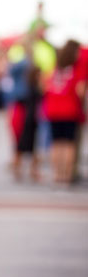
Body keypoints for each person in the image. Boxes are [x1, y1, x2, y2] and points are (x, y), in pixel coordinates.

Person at [43, 40, 85, 184]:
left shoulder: (56, 68)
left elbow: (46, 86)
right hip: (69, 110)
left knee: (56, 143)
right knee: (68, 144)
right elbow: (80, 90)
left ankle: (57, 174)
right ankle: (66, 176)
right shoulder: (76, 69)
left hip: (53, 110)